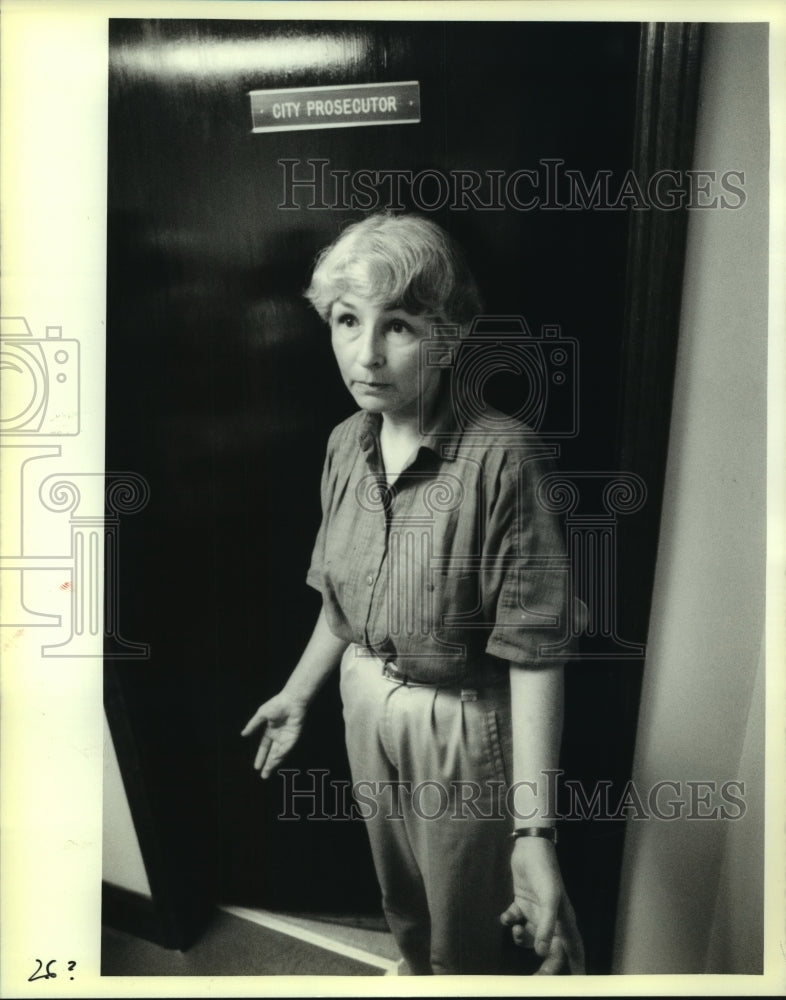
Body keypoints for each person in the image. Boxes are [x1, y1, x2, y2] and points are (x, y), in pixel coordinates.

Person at [241, 212, 585, 975]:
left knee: (473, 916)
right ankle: (414, 968)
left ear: (452, 334)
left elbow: (536, 653)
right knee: (401, 886)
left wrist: (535, 832)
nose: (366, 354)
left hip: (461, 721)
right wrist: (300, 693)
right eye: (346, 320)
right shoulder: (344, 442)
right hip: (365, 695)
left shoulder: (504, 457)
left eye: (398, 325)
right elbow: (339, 598)